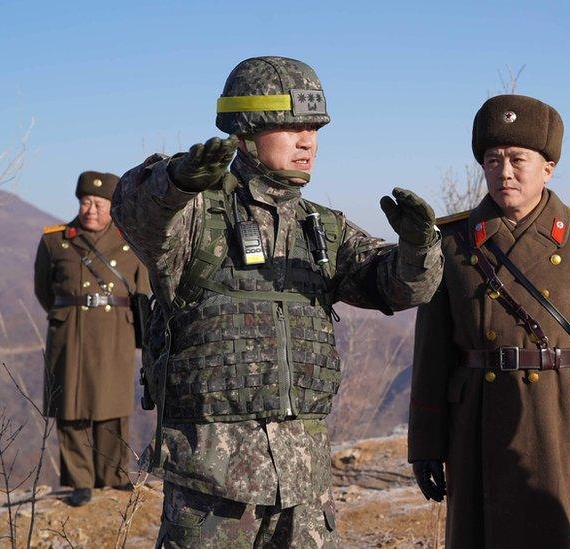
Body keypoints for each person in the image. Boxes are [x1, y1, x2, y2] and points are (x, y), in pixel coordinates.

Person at [112, 56, 443, 547]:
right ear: (245, 131)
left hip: (305, 486)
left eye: (312, 128)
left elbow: (398, 286)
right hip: (213, 487)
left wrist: (419, 248)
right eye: (289, 127)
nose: (306, 140)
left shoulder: (321, 227)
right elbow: (136, 212)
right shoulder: (195, 216)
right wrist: (176, 182)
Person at [408, 94, 570, 548]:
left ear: (548, 166)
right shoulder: (451, 241)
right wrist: (425, 443)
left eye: (518, 159)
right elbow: (432, 352)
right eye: (492, 160)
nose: (504, 172)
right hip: (478, 424)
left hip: (565, 422)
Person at [34, 171, 149, 507]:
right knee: (70, 407)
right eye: (86, 202)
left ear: (112, 207)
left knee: (111, 405)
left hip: (116, 331)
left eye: (99, 203)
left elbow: (142, 293)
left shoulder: (131, 242)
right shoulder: (56, 241)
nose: (91, 210)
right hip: (70, 331)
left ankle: (113, 476)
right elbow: (44, 291)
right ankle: (79, 482)